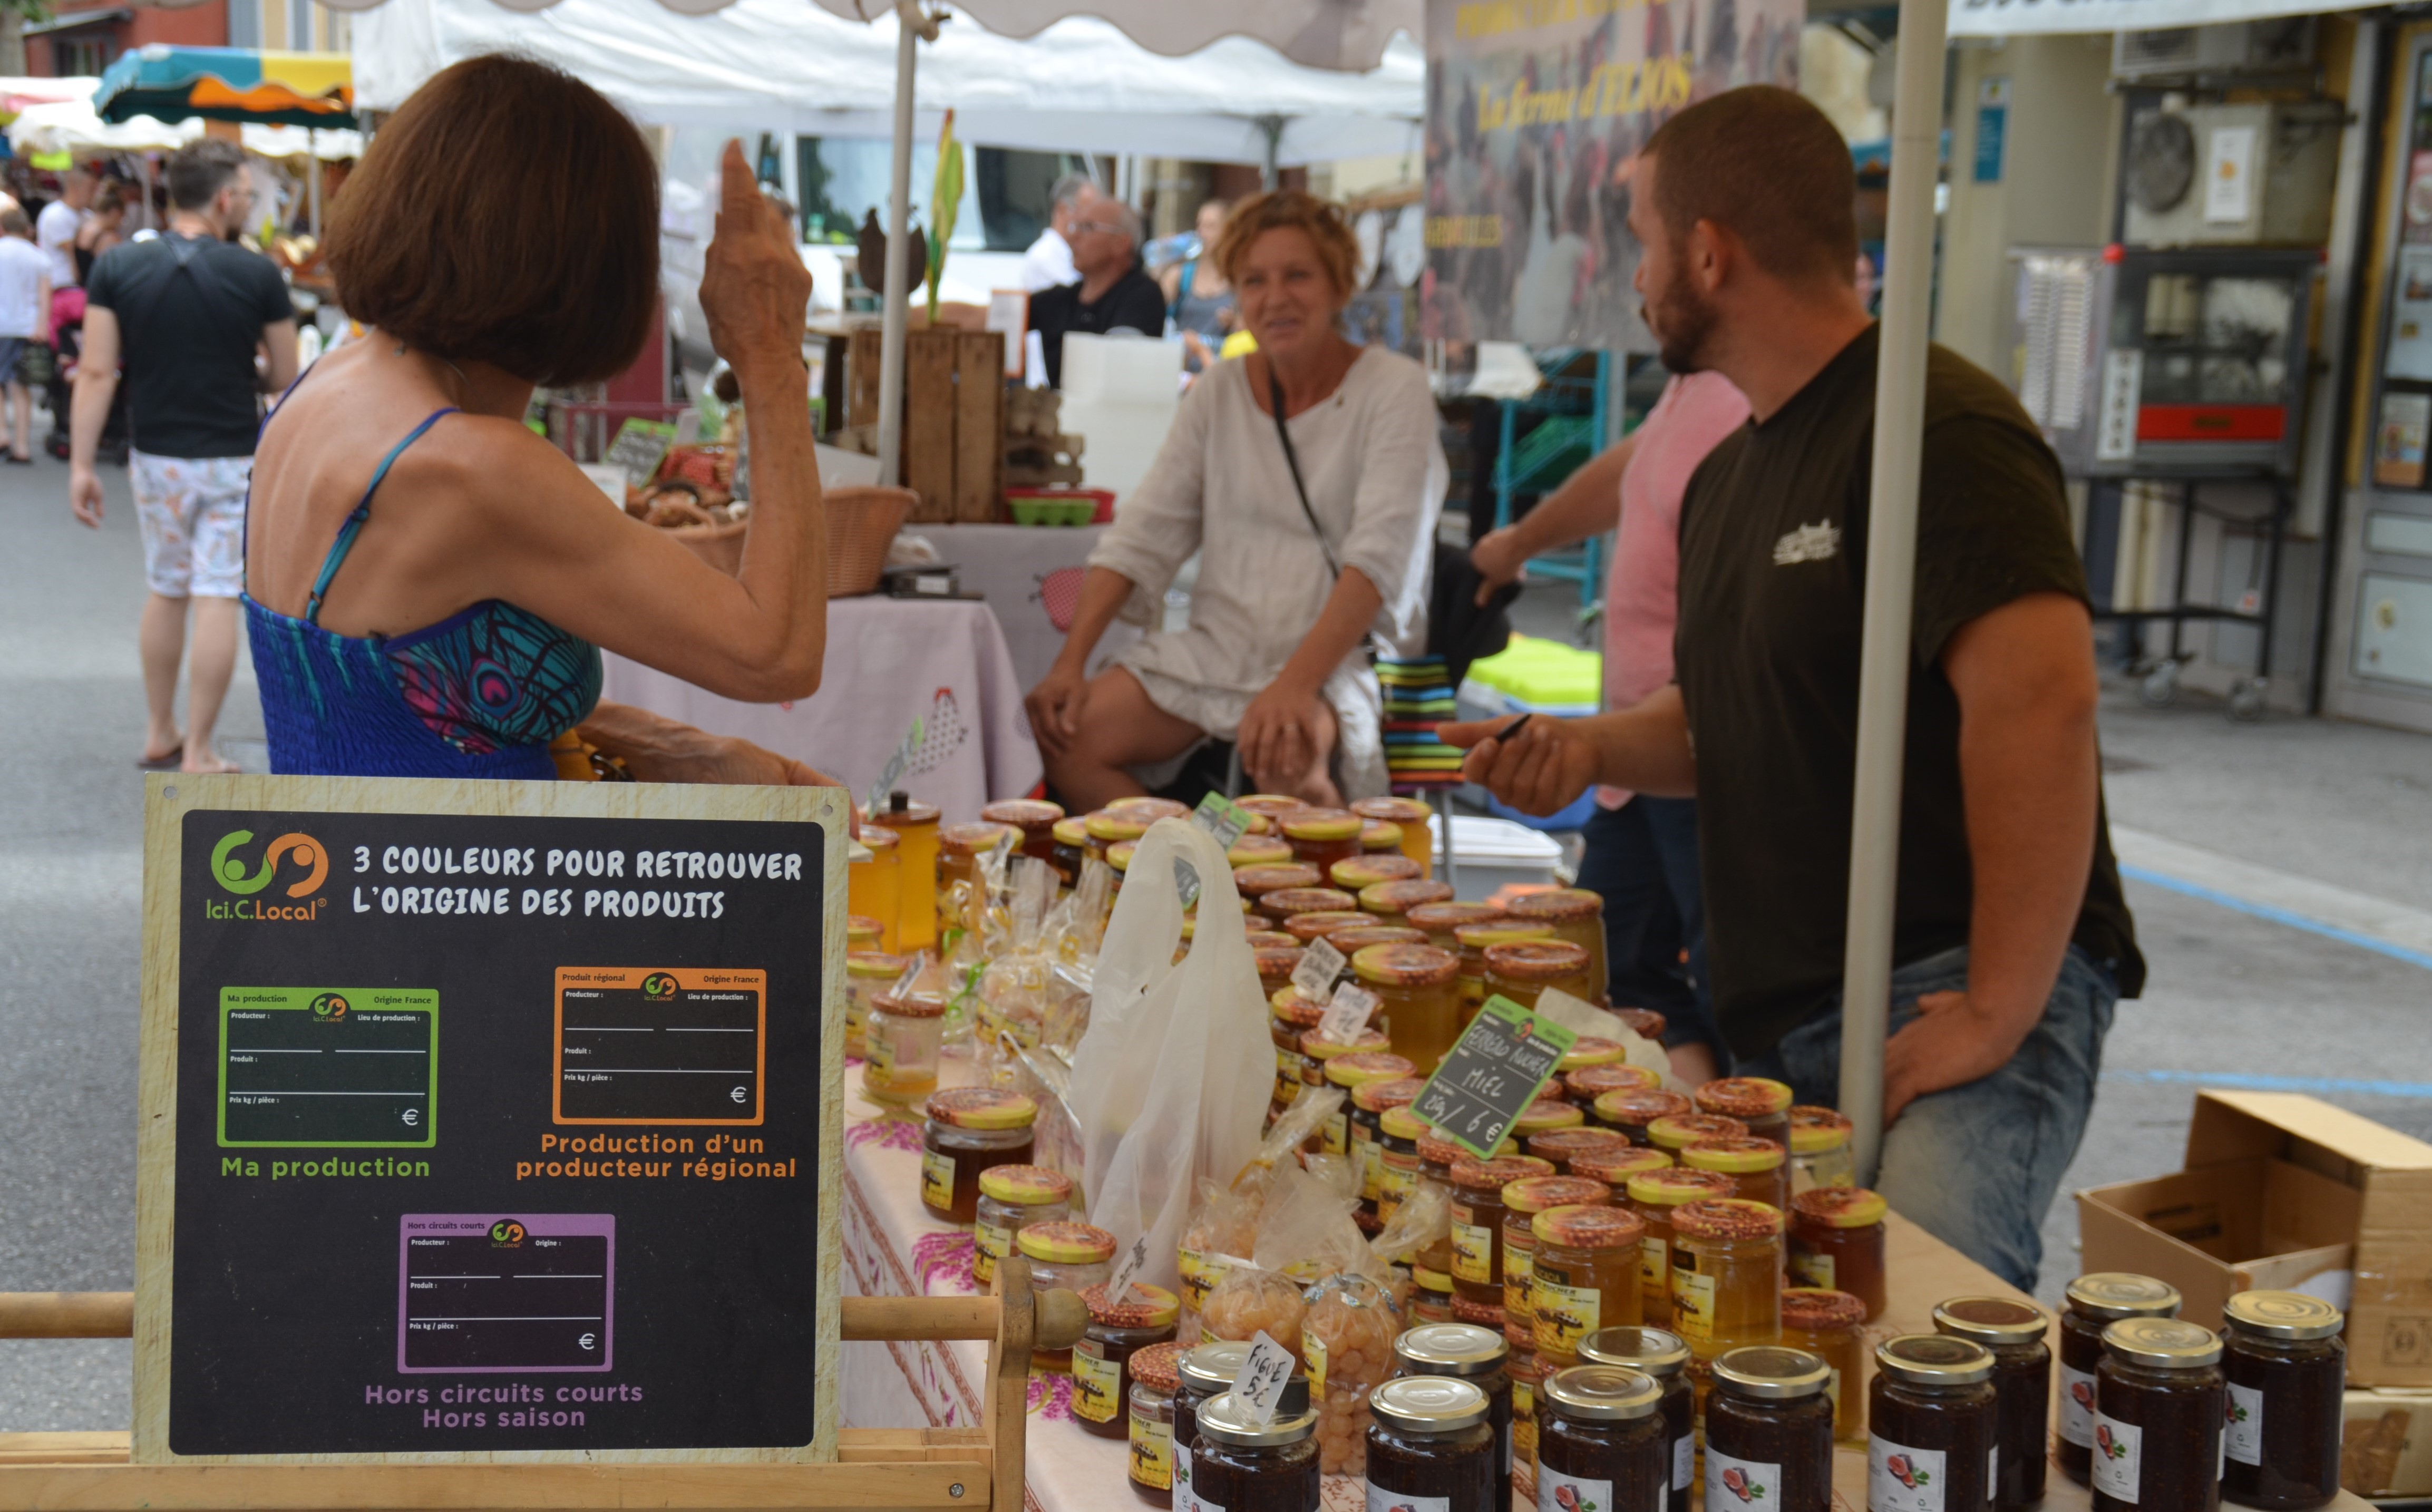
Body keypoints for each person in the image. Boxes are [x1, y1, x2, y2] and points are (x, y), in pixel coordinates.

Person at [1442, 86, 2143, 1291]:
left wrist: (1996, 1001)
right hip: (1785, 1025)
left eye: (1645, 238)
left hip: (1937, 990)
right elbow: (1722, 728)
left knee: (1926, 1330)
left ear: (1709, 252)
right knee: (1794, 1357)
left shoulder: (1938, 426)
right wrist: (1590, 746)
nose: (1637, 272)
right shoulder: (1728, 479)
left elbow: (2045, 703)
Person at [243, 55, 838, 788]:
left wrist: (676, 746)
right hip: (454, 893)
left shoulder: (326, 385)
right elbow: (776, 652)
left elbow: (395, 696)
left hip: (340, 880)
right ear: (586, 267)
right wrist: (771, 354)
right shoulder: (470, 467)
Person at [1026, 190, 1444, 810]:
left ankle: (1311, 902)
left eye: (1297, 275)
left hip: (1332, 663)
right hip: (1217, 649)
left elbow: (1379, 561)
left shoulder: (1394, 389)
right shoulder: (1219, 392)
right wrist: (1070, 663)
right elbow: (1143, 533)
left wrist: (1295, 686)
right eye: (1254, 280)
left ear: (1338, 283)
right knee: (1065, 742)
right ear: (1237, 297)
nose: (1275, 297)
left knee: (1285, 763)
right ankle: (1189, 880)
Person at [1468, 366, 1749, 1081]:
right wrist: (1522, 539)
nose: (1638, 280)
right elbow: (1633, 466)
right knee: (1610, 971)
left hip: (1698, 750)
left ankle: (1756, 1163)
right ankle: (1699, 1139)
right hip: (1631, 753)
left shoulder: (1749, 403)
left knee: (1740, 1000)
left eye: (1652, 251)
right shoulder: (1691, 388)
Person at [69, 140, 297, 775]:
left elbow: (94, 372)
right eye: (249, 196)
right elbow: (285, 374)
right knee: (217, 594)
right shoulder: (256, 274)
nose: (249, 207)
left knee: (165, 589)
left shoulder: (116, 269)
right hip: (230, 456)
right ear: (225, 198)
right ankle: (199, 748)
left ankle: (158, 731)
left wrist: (82, 466)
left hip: (156, 456)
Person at [1026, 188, 1168, 389]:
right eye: (1074, 227)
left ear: (1120, 243)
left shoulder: (1142, 295)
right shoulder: (1061, 299)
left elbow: (1116, 368)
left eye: (1086, 228)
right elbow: (993, 316)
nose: (1072, 238)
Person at [1160, 198, 1236, 374]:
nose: (1202, 233)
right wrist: (1161, 266)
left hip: (1220, 373)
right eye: (1199, 225)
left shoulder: (1239, 279)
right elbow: (1150, 312)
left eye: (1211, 227)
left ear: (1229, 232)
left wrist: (1235, 322)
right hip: (1181, 374)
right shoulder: (1180, 275)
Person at [0, 208, 48, 466]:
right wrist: (42, 325)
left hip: (2, 325)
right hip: (28, 327)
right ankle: (22, 445)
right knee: (21, 387)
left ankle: (2, 434)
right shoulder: (39, 257)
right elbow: (45, 297)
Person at [1018, 173, 1091, 293]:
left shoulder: (1068, 252)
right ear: (1063, 209)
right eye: (1088, 210)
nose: (1094, 219)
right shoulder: (1044, 257)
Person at [37, 167, 91, 290]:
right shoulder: (56, 214)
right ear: (75, 188)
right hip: (64, 288)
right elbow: (74, 254)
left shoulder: (88, 215)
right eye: (90, 189)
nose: (94, 194)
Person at [73, 182, 127, 285]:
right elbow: (114, 273)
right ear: (115, 213)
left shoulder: (80, 230)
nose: (121, 223)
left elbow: (76, 270)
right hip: (101, 294)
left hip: (83, 290)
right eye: (122, 218)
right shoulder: (109, 238)